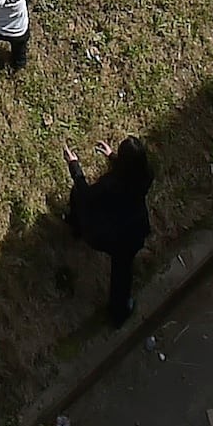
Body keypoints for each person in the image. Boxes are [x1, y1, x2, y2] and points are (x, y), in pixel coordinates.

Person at [65, 137, 154, 328]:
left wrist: (74, 167)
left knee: (76, 195)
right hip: (134, 232)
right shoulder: (146, 175)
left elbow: (86, 196)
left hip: (108, 235)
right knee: (122, 274)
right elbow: (132, 171)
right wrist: (112, 156)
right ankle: (120, 313)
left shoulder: (110, 184)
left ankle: (75, 227)